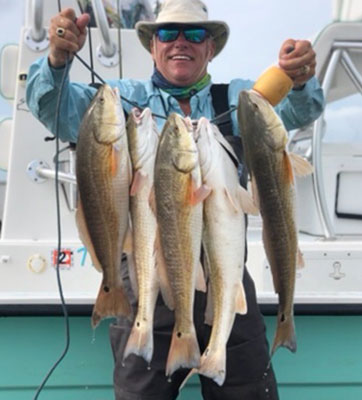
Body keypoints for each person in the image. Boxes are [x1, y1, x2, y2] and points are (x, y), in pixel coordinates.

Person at [26, 0, 324, 399]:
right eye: (168, 34)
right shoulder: (123, 100)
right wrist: (58, 61)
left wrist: (300, 78)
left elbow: (298, 111)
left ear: (211, 48)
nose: (180, 42)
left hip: (224, 265)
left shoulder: (237, 99)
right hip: (148, 274)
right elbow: (53, 108)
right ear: (153, 46)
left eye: (195, 34)